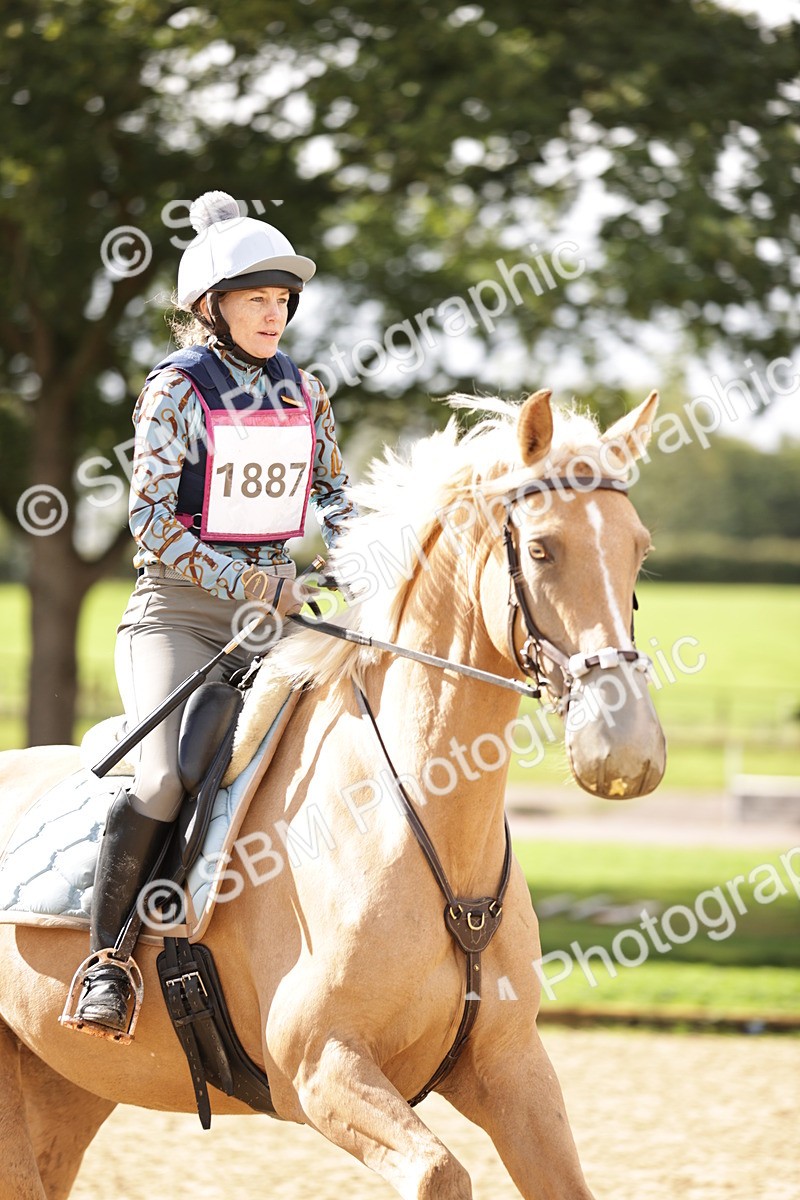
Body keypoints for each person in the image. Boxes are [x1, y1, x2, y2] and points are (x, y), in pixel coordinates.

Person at [70, 191, 357, 1039]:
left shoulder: (306, 391)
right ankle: (108, 958)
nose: (274, 315)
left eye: (283, 302)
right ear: (212, 307)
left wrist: (350, 568)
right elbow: (151, 522)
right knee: (162, 778)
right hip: (180, 618)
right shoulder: (175, 392)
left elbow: (339, 499)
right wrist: (250, 583)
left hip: (279, 623)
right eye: (256, 300)